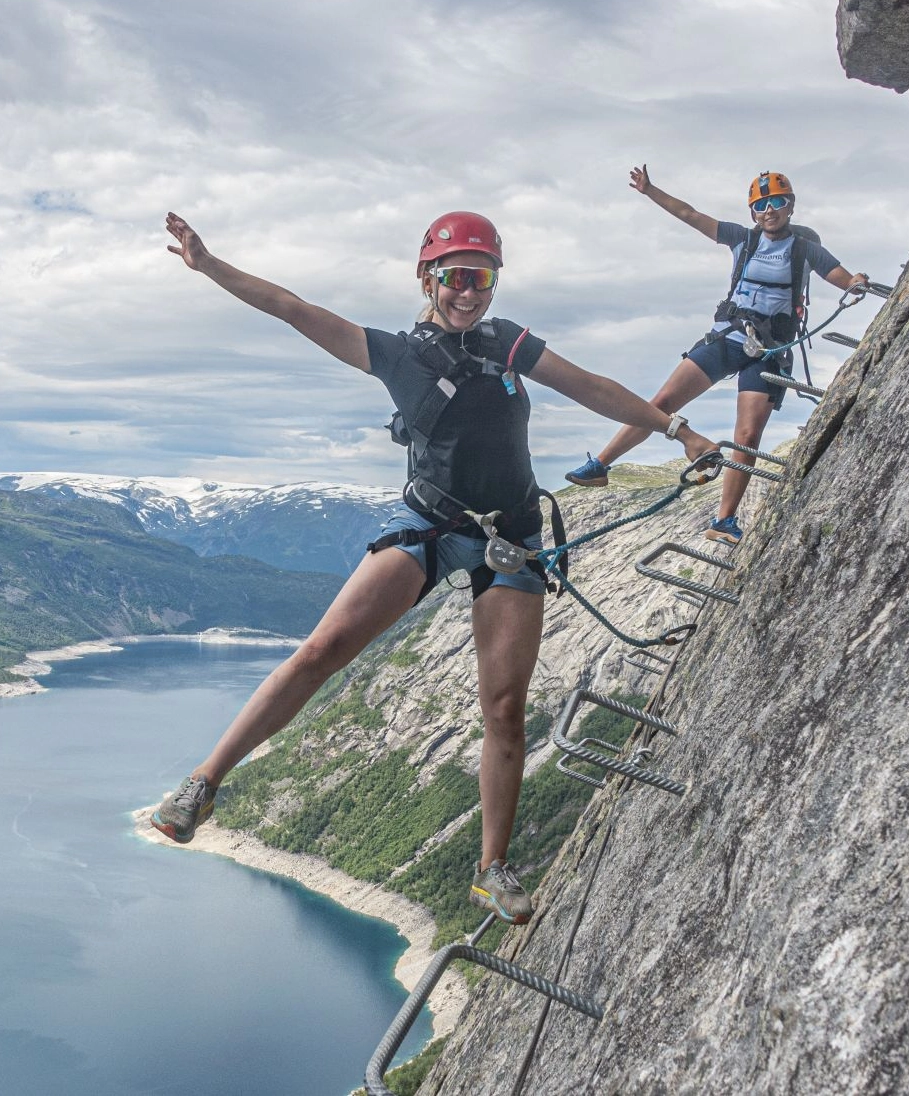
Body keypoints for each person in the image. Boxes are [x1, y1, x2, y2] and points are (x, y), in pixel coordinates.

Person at [149, 210, 717, 925]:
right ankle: (204, 784)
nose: (468, 292)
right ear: (429, 278)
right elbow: (293, 308)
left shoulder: (509, 343)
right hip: (428, 525)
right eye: (455, 277)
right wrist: (211, 266)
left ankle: (491, 869)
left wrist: (678, 429)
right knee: (322, 649)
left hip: (510, 535)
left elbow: (589, 385)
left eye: (480, 277)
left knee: (504, 711)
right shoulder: (394, 353)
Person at [565, 166, 869, 544]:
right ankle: (601, 464)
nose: (769, 210)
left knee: (747, 434)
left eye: (777, 202)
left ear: (790, 206)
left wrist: (855, 282)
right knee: (661, 402)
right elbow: (690, 215)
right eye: (761, 204)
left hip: (770, 350)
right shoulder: (743, 238)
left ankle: (723, 521)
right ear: (753, 211)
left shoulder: (806, 249)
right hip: (729, 336)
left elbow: (837, 273)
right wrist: (650, 191)